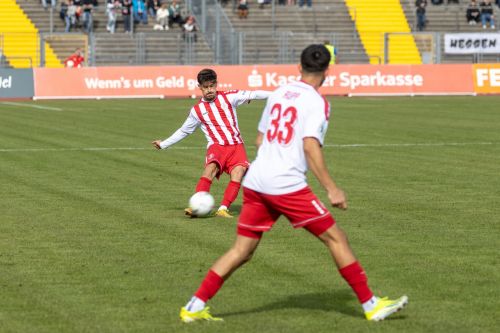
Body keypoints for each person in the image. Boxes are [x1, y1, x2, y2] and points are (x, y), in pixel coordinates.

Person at [178, 45, 408, 323]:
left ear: (299, 67)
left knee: (242, 251)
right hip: (285, 185)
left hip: (257, 181)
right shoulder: (317, 102)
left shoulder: (280, 93)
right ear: (327, 72)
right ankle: (371, 305)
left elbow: (260, 139)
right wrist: (331, 188)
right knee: (337, 238)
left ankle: (193, 306)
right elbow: (310, 145)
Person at [152, 69, 271, 218]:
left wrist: (278, 95)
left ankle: (223, 208)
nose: (209, 90)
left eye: (212, 86)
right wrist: (164, 144)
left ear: (216, 84)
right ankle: (195, 205)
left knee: (238, 173)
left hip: (236, 145)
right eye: (206, 87)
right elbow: (184, 131)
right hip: (217, 145)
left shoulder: (229, 97)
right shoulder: (197, 110)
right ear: (200, 87)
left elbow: (254, 94)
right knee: (210, 170)